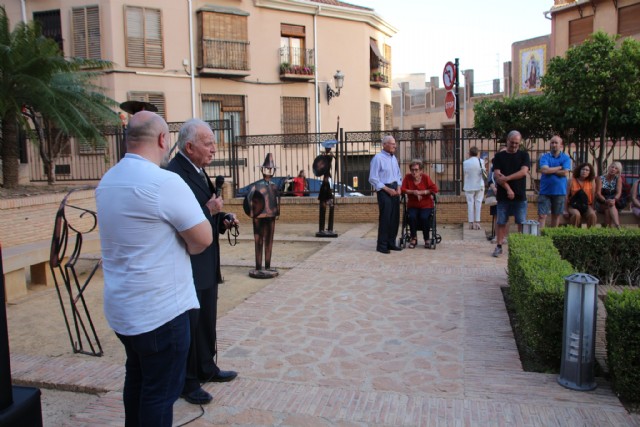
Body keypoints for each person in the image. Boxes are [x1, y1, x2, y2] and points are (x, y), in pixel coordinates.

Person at [96, 111, 213, 426]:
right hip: (161, 312)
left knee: (136, 381)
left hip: (123, 311)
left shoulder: (107, 181)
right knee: (159, 395)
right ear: (164, 140)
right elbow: (203, 237)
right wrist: (184, 240)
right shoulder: (164, 181)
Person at [166, 119, 239, 406]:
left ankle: (207, 367)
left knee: (206, 318)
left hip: (207, 263)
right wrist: (209, 210)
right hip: (190, 264)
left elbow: (203, 214)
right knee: (191, 324)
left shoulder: (197, 170)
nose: (214, 149)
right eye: (208, 143)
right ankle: (188, 381)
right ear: (189, 146)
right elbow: (181, 220)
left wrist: (221, 219)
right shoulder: (175, 174)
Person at [492, 130, 531, 257]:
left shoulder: (524, 155)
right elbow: (497, 176)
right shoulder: (499, 157)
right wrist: (508, 189)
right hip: (503, 196)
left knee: (521, 222)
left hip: (520, 196)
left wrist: (507, 178)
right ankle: (499, 245)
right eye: (512, 142)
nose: (514, 145)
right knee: (501, 221)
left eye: (517, 143)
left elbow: (523, 172)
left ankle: (520, 246)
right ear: (507, 141)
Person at [244, 153, 281, 278]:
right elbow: (249, 199)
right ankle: (259, 266)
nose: (269, 172)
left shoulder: (274, 186)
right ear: (262, 170)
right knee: (258, 241)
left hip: (271, 215)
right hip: (258, 216)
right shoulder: (256, 186)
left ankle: (268, 265)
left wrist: (277, 211)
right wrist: (252, 212)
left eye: (271, 169)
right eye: (267, 169)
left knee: (269, 241)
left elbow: (277, 199)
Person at [369, 135, 403, 254]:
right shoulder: (378, 158)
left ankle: (391, 242)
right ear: (385, 145)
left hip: (395, 189)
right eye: (392, 143)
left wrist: (399, 186)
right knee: (385, 218)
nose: (395, 146)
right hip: (384, 190)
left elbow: (398, 175)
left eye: (395, 143)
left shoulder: (394, 158)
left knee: (394, 218)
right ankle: (382, 245)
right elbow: (373, 178)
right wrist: (387, 189)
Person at [401, 159, 439, 248]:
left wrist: (422, 192)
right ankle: (413, 238)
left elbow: (435, 189)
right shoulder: (407, 177)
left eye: (416, 170)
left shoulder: (425, 178)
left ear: (421, 170)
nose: (414, 172)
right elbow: (402, 189)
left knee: (424, 217)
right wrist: (413, 192)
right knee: (412, 216)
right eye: (412, 170)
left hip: (426, 205)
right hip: (413, 205)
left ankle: (426, 239)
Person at [537, 136, 571, 228]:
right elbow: (544, 170)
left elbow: (565, 173)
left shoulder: (566, 158)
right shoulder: (544, 157)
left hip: (559, 191)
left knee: (556, 216)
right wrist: (559, 167)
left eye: (556, 143)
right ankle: (541, 237)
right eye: (552, 142)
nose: (554, 145)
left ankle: (552, 236)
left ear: (561, 145)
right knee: (542, 215)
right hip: (545, 192)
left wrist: (550, 170)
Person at [313, 140, 338, 237]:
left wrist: (332, 156)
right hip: (325, 183)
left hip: (327, 182)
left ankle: (329, 228)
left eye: (330, 148)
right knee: (324, 206)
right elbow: (323, 167)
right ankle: (322, 229)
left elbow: (331, 162)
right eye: (328, 148)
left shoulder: (328, 157)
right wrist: (330, 156)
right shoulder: (326, 157)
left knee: (330, 206)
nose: (329, 149)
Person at [565, 162, 597, 228]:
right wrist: (565, 210)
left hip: (586, 205)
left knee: (592, 215)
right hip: (573, 205)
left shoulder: (591, 181)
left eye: (587, 170)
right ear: (579, 170)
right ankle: (575, 232)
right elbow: (566, 195)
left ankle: (591, 233)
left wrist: (593, 208)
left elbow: (593, 195)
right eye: (583, 169)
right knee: (576, 215)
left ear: (589, 172)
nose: (584, 171)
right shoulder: (571, 180)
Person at [595, 161, 624, 228]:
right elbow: (598, 193)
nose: (613, 169)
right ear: (609, 168)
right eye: (612, 167)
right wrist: (605, 201)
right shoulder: (600, 178)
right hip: (601, 202)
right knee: (609, 206)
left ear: (618, 171)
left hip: (613, 202)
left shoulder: (618, 178)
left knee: (609, 208)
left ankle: (607, 230)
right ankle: (617, 226)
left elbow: (619, 192)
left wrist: (614, 200)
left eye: (616, 168)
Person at [462, 146, 485, 230]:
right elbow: (483, 172)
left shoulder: (465, 162)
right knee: (478, 203)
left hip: (469, 185)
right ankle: (477, 222)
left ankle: (471, 223)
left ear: (470, 153)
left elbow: (465, 172)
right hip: (480, 184)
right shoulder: (481, 161)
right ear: (477, 153)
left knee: (470, 204)